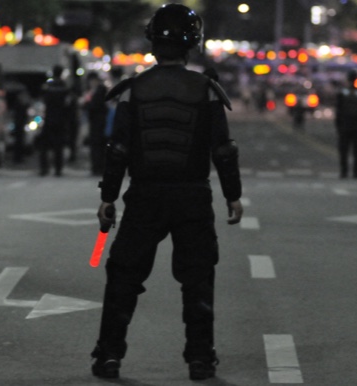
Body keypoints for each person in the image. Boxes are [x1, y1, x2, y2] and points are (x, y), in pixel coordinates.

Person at [91, 4, 243, 381]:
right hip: (193, 196)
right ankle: (200, 359)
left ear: (153, 42)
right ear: (194, 44)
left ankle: (109, 356)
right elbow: (222, 149)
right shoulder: (207, 91)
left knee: (123, 276)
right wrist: (233, 195)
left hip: (144, 197)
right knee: (198, 279)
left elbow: (119, 150)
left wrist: (108, 197)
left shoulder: (134, 90)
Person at [335, 70, 357, 179]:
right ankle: (355, 172)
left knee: (344, 150)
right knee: (356, 151)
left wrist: (338, 125)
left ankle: (345, 171)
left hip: (347, 125)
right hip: (356, 125)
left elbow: (338, 111)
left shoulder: (343, 93)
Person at [39, 65, 72, 177]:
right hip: (61, 119)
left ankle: (44, 168)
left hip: (49, 118)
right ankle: (58, 169)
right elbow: (68, 104)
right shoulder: (64, 87)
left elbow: (44, 101)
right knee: (59, 146)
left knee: (44, 145)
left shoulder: (48, 86)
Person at [82, 72, 108, 176]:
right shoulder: (95, 90)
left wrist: (86, 103)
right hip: (95, 121)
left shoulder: (100, 90)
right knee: (97, 144)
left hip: (99, 121)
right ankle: (97, 166)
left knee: (98, 144)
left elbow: (94, 105)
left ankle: (98, 167)